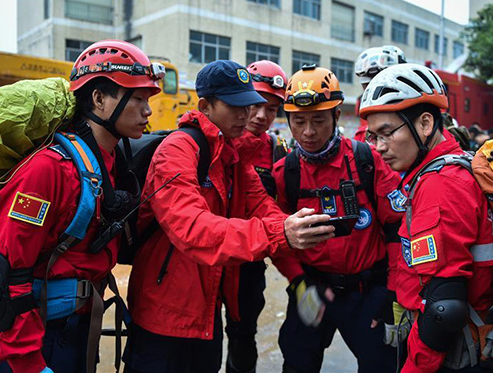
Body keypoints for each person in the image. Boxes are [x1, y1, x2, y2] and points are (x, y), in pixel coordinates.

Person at [122, 60, 334, 373]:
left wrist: (303, 236)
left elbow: (264, 207)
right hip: (164, 315)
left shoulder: (230, 157)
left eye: (250, 105)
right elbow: (192, 228)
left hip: (208, 312)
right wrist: (281, 234)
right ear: (205, 106)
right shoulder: (179, 149)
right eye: (235, 106)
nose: (247, 115)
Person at [0, 40, 163, 373]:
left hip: (79, 332)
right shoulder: (49, 169)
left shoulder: (108, 165)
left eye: (148, 99)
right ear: (98, 99)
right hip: (36, 343)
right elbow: (7, 277)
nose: (148, 110)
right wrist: (29, 362)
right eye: (137, 98)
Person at [360, 63, 493, 372]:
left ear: (425, 123)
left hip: (455, 351)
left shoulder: (442, 184)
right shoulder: (443, 168)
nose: (379, 147)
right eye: (373, 136)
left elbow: (443, 309)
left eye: (386, 133)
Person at [272, 64, 404, 373]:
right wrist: (298, 282)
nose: (308, 132)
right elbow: (277, 238)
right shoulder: (285, 173)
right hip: (312, 290)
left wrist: (393, 293)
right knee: (297, 363)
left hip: (368, 293)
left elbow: (398, 230)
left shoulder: (365, 160)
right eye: (298, 121)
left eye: (318, 120)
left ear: (336, 115)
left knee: (382, 365)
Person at [224, 60, 288, 373]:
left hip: (249, 264)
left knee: (243, 339)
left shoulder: (277, 150)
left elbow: (280, 216)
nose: (262, 116)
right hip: (205, 259)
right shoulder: (209, 142)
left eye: (273, 109)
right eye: (256, 104)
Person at [353, 45, 406, 142]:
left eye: (382, 87)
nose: (374, 94)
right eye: (368, 86)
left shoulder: (416, 124)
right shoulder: (361, 138)